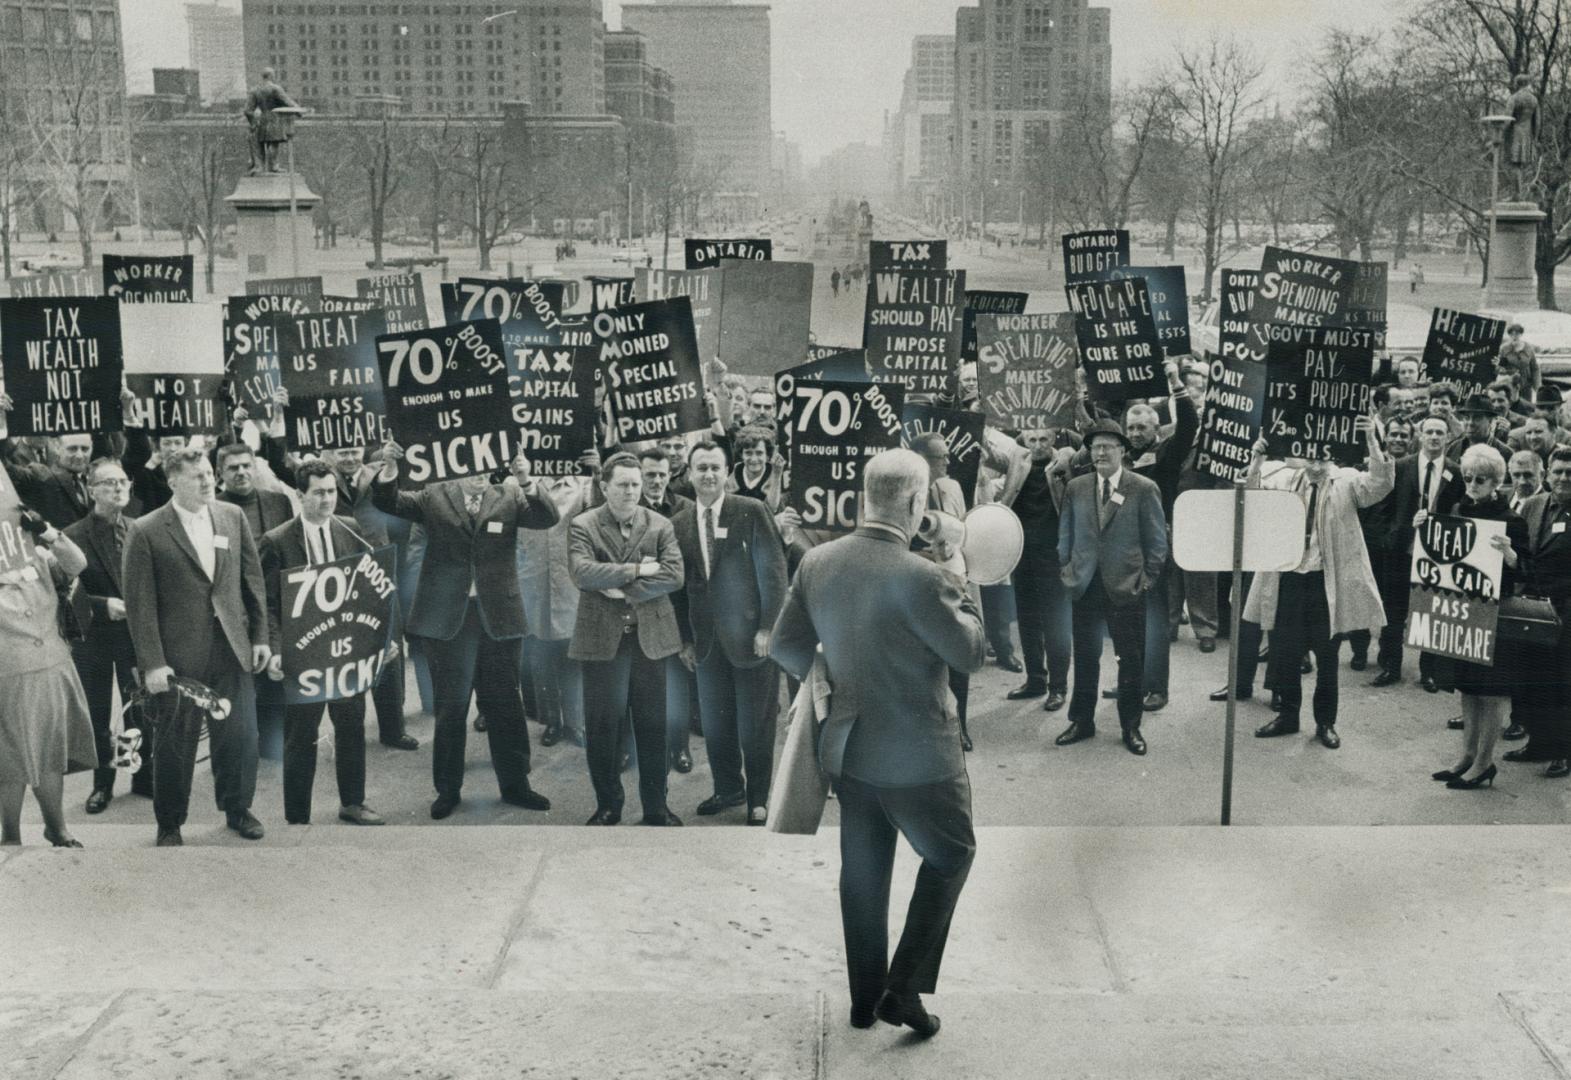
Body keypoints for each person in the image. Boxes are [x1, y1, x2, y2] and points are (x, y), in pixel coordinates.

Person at [771, 447, 983, 1038]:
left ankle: (864, 1001)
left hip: (849, 746)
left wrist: (833, 674)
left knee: (863, 870)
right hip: (921, 755)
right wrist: (958, 568)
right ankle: (904, 989)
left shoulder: (817, 561)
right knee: (952, 854)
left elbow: (785, 647)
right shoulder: (926, 575)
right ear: (917, 502)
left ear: (866, 496)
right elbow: (969, 653)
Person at [372, 444, 559, 819]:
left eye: (485, 465)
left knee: (506, 704)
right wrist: (390, 466)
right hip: (448, 619)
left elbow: (545, 518)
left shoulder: (508, 494)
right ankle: (447, 789)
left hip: (498, 616)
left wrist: (525, 479)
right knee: (451, 707)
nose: (478, 472)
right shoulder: (433, 495)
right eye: (470, 465)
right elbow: (390, 502)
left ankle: (516, 784)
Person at [122, 448, 271, 846]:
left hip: (232, 647)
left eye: (209, 473)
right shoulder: (147, 529)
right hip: (177, 658)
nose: (208, 482)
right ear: (173, 482)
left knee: (240, 735)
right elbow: (140, 606)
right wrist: (153, 663)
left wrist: (260, 637)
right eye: (197, 477)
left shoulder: (231, 517)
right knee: (175, 743)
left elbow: (251, 582)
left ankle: (238, 809)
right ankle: (170, 822)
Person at [1247, 417, 1392, 750]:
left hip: (1325, 585)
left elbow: (1381, 484)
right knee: (1285, 653)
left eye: (1321, 457)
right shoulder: (1284, 479)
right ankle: (1288, 715)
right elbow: (1252, 495)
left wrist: (1371, 438)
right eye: (1308, 456)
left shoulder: (1347, 482)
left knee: (1327, 658)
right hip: (1289, 581)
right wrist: (1256, 459)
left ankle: (1325, 723)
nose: (1314, 464)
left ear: (1332, 456)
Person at [257, 461, 387, 826]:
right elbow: (268, 602)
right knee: (301, 736)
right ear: (300, 496)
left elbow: (368, 590)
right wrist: (277, 649)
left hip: (345, 649)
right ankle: (297, 815)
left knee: (351, 725)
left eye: (331, 491)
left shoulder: (351, 529)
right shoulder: (277, 540)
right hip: (302, 653)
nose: (328, 499)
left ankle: (353, 802)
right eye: (319, 493)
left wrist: (378, 641)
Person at [671, 441, 787, 825]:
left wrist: (768, 628)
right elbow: (680, 589)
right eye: (701, 468)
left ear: (727, 473)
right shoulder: (680, 523)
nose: (708, 475)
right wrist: (686, 639)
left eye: (715, 468)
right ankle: (727, 788)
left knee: (756, 722)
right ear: (689, 473)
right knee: (716, 721)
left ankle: (758, 798)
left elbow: (773, 574)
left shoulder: (750, 511)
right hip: (705, 643)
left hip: (751, 638)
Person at [568, 452, 685, 826]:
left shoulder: (660, 525)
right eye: (623, 484)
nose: (632, 491)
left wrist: (624, 589)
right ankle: (608, 805)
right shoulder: (584, 524)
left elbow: (674, 575)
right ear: (604, 487)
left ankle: (656, 807)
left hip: (650, 639)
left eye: (636, 484)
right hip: (602, 640)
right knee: (603, 725)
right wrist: (636, 569)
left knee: (653, 725)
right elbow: (583, 572)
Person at [1055, 419, 1168, 756]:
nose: (1101, 452)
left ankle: (1130, 726)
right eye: (1095, 447)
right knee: (1086, 656)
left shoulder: (1143, 487)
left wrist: (1146, 579)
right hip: (1085, 585)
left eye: (1108, 446)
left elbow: (1158, 542)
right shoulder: (1077, 487)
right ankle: (1082, 720)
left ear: (1122, 450)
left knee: (1131, 659)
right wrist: (1067, 570)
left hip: (1127, 587)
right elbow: (1065, 535)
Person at [1421, 446, 1527, 790]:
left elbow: (1528, 571)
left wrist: (1510, 555)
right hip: (1464, 612)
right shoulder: (1457, 510)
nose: (1472, 484)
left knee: (1492, 692)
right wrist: (1424, 527)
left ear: (1496, 481)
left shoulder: (1513, 521)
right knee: (1467, 687)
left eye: (1480, 479)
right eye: (1467, 477)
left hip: (1496, 614)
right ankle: (1466, 756)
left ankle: (1484, 762)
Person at [0, 491, 93, 849]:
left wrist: (48, 531)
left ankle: (57, 827)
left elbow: (77, 564)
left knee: (51, 751)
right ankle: (10, 833)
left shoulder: (36, 555)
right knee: (11, 756)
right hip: (8, 673)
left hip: (52, 665)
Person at [64, 458, 154, 814]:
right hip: (95, 639)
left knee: (138, 710)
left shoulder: (140, 529)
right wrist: (103, 606)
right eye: (108, 483)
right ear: (91, 490)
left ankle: (139, 775)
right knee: (100, 713)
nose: (118, 488)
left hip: (135, 636)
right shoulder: (73, 535)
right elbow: (66, 592)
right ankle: (103, 784)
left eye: (122, 482)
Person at [321, 446, 422, 750]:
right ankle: (349, 732)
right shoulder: (322, 479)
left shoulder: (379, 471)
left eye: (353, 452)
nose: (349, 459)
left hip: (380, 570)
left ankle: (393, 728)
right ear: (329, 455)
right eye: (341, 453)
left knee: (390, 650)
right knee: (345, 651)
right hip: (338, 576)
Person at [1369, 414, 1463, 690]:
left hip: (1437, 554)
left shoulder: (1455, 472)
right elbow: (1382, 510)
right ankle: (1390, 666)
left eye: (1440, 433)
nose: (1434, 437)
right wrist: (1389, 538)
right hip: (1400, 551)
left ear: (1447, 438)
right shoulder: (1401, 466)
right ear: (1420, 436)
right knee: (1394, 611)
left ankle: (1429, 672)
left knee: (1430, 611)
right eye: (1430, 432)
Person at [216, 442, 294, 761]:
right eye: (233, 468)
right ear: (220, 473)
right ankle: (245, 743)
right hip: (236, 602)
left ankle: (274, 744)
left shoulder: (278, 501)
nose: (241, 472)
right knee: (243, 676)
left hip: (277, 598)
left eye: (246, 465)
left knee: (277, 669)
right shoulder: (213, 508)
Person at [1003, 429, 1075, 711]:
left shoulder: (1066, 460)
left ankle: (1058, 687)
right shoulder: (1016, 458)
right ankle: (1035, 679)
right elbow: (983, 442)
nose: (1037, 446)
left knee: (1056, 622)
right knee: (1027, 619)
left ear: (1054, 438)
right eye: (1031, 440)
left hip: (1053, 554)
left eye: (1043, 439)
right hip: (1021, 553)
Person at [639, 445, 697, 769]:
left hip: (675, 605)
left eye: (662, 474)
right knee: (637, 681)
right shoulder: (626, 506)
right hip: (638, 604)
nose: (656, 480)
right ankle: (633, 747)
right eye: (650, 474)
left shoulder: (684, 508)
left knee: (676, 681)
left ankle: (680, 747)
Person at [7, 434, 93, 530]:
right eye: (72, 449)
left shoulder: (97, 474)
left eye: (85, 449)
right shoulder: (43, 476)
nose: (79, 456)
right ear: (57, 448)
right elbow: (9, 469)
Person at [729, 426, 784, 510]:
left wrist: (776, 476)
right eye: (748, 453)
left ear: (767, 455)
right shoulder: (736, 471)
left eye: (759, 453)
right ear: (741, 454)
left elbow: (772, 508)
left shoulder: (773, 472)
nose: (754, 459)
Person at [1497, 322, 1541, 399]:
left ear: (1521, 334)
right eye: (1512, 334)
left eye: (1517, 333)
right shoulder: (1504, 349)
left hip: (1526, 385)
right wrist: (1503, 371)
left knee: (1526, 407)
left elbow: (1535, 368)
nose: (1514, 336)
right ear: (1509, 335)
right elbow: (1500, 366)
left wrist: (1537, 387)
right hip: (1510, 385)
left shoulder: (1528, 348)